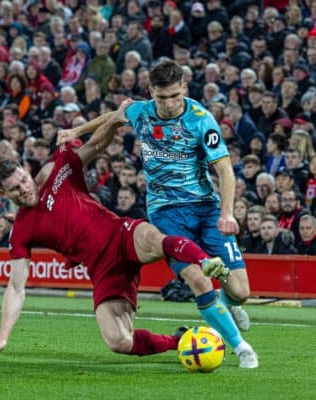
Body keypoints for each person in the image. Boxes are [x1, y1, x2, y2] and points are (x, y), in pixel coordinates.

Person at [0, 102, 258, 368]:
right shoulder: (20, 230)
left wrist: (115, 119)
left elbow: (96, 145)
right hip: (102, 269)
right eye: (16, 189)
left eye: (23, 180)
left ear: (26, 172)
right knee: (118, 340)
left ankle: (205, 262)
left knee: (155, 239)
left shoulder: (56, 170)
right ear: (4, 194)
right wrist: (3, 336)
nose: (24, 188)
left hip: (120, 234)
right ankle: (181, 339)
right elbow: (16, 288)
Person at [67, 61, 254, 335]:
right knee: (196, 278)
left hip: (205, 208)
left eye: (175, 96)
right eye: (162, 97)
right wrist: (76, 132)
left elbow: (225, 170)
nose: (168, 103)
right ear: (151, 91)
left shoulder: (201, 120)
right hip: (165, 210)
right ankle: (237, 346)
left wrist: (227, 213)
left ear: (185, 88)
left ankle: (229, 302)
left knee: (241, 291)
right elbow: (114, 116)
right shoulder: (141, 112)